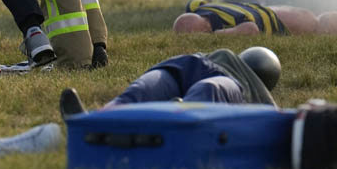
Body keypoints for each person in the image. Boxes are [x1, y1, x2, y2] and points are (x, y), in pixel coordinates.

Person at [58, 47, 280, 119]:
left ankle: (174, 124)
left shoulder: (255, 95)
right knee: (139, 91)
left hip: (223, 82)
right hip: (187, 66)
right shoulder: (221, 58)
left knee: (207, 90)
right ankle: (91, 121)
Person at [173, 0, 337, 35]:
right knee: (324, 22)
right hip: (273, 11)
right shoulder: (198, 8)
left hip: (278, 19)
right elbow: (194, 3)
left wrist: (216, 36)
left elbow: (250, 31)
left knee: (324, 25)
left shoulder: (215, 26)